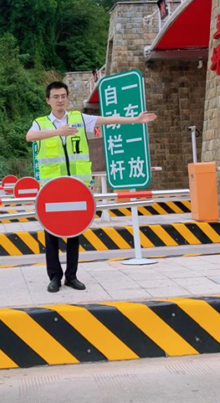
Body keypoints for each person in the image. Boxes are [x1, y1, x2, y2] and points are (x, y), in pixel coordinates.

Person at [26, 81, 157, 293]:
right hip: (52, 190)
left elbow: (107, 120)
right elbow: (29, 137)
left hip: (76, 187)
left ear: (68, 98)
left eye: (63, 96)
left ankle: (71, 276)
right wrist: (58, 132)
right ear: (48, 100)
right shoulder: (40, 123)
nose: (60, 100)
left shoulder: (79, 119)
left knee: (74, 231)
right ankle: (55, 277)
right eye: (56, 96)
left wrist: (135, 119)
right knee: (51, 234)